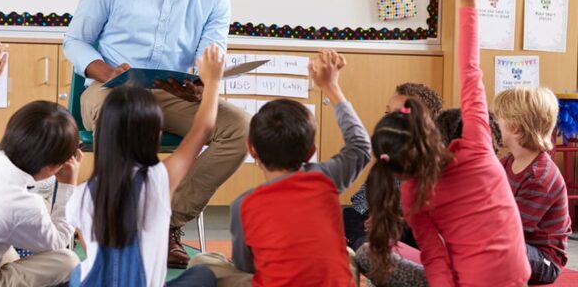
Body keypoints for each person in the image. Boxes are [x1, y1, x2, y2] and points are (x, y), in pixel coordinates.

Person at [63, 0, 249, 267]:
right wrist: (106, 72)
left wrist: (200, 82)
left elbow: (209, 55)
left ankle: (165, 223)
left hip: (171, 96)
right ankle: (112, 226)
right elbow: (75, 41)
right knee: (123, 110)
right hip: (111, 90)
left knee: (242, 128)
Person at [364, 0, 530, 286]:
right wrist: (468, 1)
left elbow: (434, 256)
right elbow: (470, 72)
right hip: (516, 274)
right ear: (429, 127)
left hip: (469, 280)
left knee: (371, 251)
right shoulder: (479, 146)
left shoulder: (412, 192)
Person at [189, 49, 372, 287]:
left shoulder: (243, 205)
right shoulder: (324, 179)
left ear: (251, 149)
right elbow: (360, 147)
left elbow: (246, 266)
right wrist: (331, 87)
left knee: (203, 262)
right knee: (344, 253)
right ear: (310, 152)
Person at [66, 45, 224, 287]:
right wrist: (212, 82)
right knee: (205, 272)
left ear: (104, 132)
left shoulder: (80, 195)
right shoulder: (158, 180)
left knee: (79, 272)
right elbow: (202, 129)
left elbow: (91, 253)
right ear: (156, 134)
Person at [0, 42, 81, 286]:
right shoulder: (24, 205)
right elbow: (58, 243)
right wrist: (68, 185)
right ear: (51, 169)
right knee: (68, 261)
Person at [345, 83, 443, 251]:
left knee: (407, 230)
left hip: (409, 232)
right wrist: (374, 213)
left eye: (399, 115)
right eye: (387, 114)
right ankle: (365, 246)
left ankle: (371, 248)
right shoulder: (389, 154)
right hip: (376, 225)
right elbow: (362, 199)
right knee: (345, 215)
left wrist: (389, 218)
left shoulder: (436, 161)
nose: (388, 121)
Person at [494, 87, 572, 285]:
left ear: (515, 128)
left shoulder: (540, 177)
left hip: (544, 260)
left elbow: (510, 229)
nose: (494, 125)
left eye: (498, 120)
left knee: (492, 246)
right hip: (516, 241)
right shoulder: (508, 162)